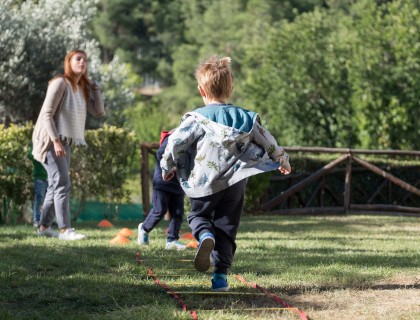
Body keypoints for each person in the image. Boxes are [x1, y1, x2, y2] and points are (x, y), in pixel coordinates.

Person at [160, 56, 291, 291]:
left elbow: (175, 142)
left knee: (198, 217)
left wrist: (166, 167)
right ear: (230, 88)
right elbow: (267, 140)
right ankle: (220, 278)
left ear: (201, 90)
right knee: (227, 227)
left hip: (204, 182)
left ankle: (204, 236)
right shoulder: (246, 118)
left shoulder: (197, 117)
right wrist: (282, 160)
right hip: (235, 183)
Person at [32, 49, 105, 241]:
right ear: (69, 62)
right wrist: (55, 141)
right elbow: (47, 114)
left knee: (55, 184)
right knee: (63, 182)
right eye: (78, 59)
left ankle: (44, 227)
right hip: (50, 140)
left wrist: (95, 89)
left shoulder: (80, 88)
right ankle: (65, 229)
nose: (82, 62)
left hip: (63, 140)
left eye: (85, 60)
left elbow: (98, 111)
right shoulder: (59, 83)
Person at [138, 130, 187, 250]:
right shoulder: (171, 138)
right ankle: (144, 228)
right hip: (163, 183)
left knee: (177, 213)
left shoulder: (188, 141)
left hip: (177, 184)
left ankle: (172, 240)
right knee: (159, 210)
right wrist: (174, 164)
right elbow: (160, 153)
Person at [28, 143, 48, 228]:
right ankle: (37, 220)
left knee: (50, 200)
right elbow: (30, 155)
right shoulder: (35, 145)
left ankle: (47, 220)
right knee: (40, 199)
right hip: (40, 178)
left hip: (51, 177)